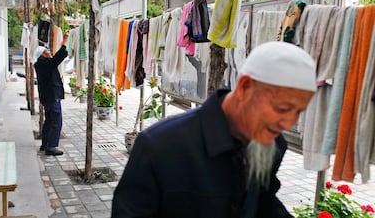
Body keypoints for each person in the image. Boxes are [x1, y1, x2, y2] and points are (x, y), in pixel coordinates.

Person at [111, 41, 317, 218]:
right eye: (282, 109)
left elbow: (263, 202)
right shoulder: (159, 146)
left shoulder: (273, 145)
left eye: (298, 112)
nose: (288, 124)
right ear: (245, 87)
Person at [34, 30, 69, 156]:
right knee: (56, 121)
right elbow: (57, 59)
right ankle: (51, 147)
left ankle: (45, 144)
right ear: (42, 54)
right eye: (46, 51)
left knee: (49, 120)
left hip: (47, 96)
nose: (49, 51)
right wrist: (64, 42)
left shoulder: (41, 64)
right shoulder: (45, 63)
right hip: (52, 96)